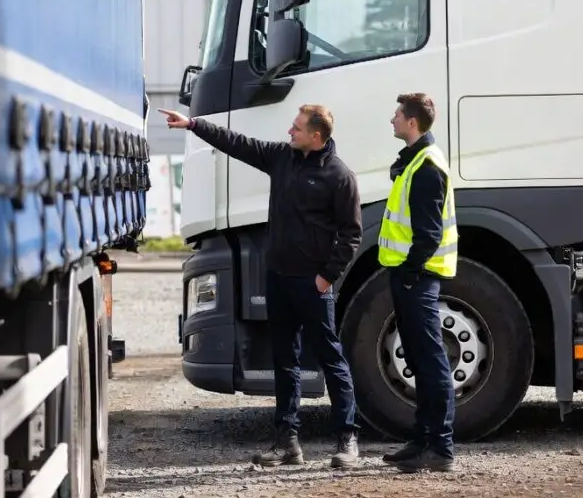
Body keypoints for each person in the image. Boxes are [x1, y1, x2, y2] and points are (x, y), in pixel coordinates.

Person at [158, 105, 363, 469]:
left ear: (316, 136)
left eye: (297, 128)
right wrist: (193, 124)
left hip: (313, 286)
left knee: (331, 360)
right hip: (279, 281)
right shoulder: (282, 158)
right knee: (285, 362)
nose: (289, 132)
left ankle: (347, 441)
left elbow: (351, 235)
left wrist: (325, 277)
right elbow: (237, 143)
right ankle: (287, 444)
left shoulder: (339, 176)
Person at [377, 92, 458, 473]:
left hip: (418, 278)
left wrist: (409, 274)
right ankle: (423, 440)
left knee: (430, 362)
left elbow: (428, 234)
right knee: (419, 360)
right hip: (412, 276)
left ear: (412, 122)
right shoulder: (415, 161)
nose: (392, 119)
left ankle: (440, 448)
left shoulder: (426, 166)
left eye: (397, 115)